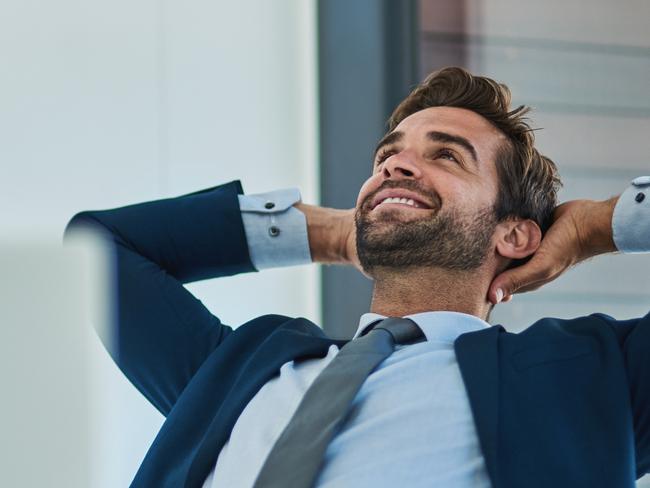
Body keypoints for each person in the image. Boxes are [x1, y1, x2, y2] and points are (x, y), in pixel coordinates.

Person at [65, 67, 650, 488]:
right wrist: (337, 233)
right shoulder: (239, 370)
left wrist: (598, 227)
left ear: (515, 235)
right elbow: (97, 249)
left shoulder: (592, 375)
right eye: (386, 159)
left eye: (446, 156)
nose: (395, 165)